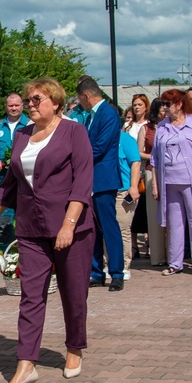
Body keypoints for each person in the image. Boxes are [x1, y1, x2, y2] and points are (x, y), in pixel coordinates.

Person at [0, 78, 94, 383]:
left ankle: (74, 346)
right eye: (27, 100)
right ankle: (26, 366)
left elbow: (82, 182)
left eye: (37, 99)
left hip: (72, 228)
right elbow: (9, 185)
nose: (30, 104)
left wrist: (68, 225)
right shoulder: (23, 134)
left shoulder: (73, 132)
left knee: (73, 291)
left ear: (55, 102)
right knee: (30, 296)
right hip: (30, 227)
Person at [151, 88, 192, 277]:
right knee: (174, 224)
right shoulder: (162, 127)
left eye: (168, 104)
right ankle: (175, 263)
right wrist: (156, 185)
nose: (164, 108)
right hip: (169, 182)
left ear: (179, 104)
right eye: (163, 104)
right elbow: (155, 159)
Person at [75, 78, 124, 290]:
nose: (80, 104)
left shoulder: (108, 113)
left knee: (109, 227)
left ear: (87, 96)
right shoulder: (90, 117)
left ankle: (117, 272)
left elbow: (100, 147)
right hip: (90, 180)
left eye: (80, 99)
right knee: (91, 228)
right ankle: (95, 272)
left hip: (103, 180)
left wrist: (77, 160)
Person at [0, 93, 30, 249]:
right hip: (3, 182)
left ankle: (24, 257)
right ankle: (5, 258)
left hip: (26, 183)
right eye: (10, 105)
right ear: (5, 106)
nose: (14, 108)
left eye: (17, 105)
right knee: (3, 223)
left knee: (26, 221)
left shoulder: (31, 125)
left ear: (22, 106)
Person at [136, 98, 167, 266]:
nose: (165, 112)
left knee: (172, 215)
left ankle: (174, 254)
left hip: (170, 171)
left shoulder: (171, 127)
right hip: (151, 171)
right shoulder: (146, 128)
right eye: (162, 109)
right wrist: (155, 157)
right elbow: (139, 152)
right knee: (154, 215)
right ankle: (158, 256)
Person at [115, 121, 142, 286]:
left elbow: (136, 163)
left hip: (123, 190)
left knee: (122, 228)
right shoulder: (99, 139)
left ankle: (124, 265)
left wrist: (133, 186)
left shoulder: (126, 139)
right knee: (106, 230)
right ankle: (107, 263)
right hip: (105, 190)